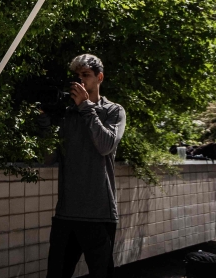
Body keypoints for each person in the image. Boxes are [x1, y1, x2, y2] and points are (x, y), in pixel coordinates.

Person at [45, 54, 126, 278]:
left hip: (99, 213)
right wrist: (43, 126)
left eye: (86, 75)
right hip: (66, 213)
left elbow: (105, 145)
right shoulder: (67, 114)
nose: (80, 81)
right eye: (77, 76)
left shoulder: (113, 111)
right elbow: (48, 158)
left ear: (99, 77)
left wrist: (85, 106)